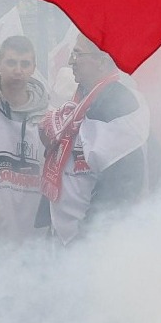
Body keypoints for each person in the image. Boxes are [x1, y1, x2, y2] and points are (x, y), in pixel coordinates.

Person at [39, 39, 153, 240]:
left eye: (78, 55)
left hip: (93, 240)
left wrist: (87, 238)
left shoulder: (120, 103)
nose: (71, 62)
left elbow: (118, 188)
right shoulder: (80, 97)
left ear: (101, 61)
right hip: (63, 236)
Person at [0, 34, 52, 242]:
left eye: (25, 64)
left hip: (33, 236)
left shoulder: (50, 117)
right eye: (11, 62)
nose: (18, 70)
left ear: (33, 67)